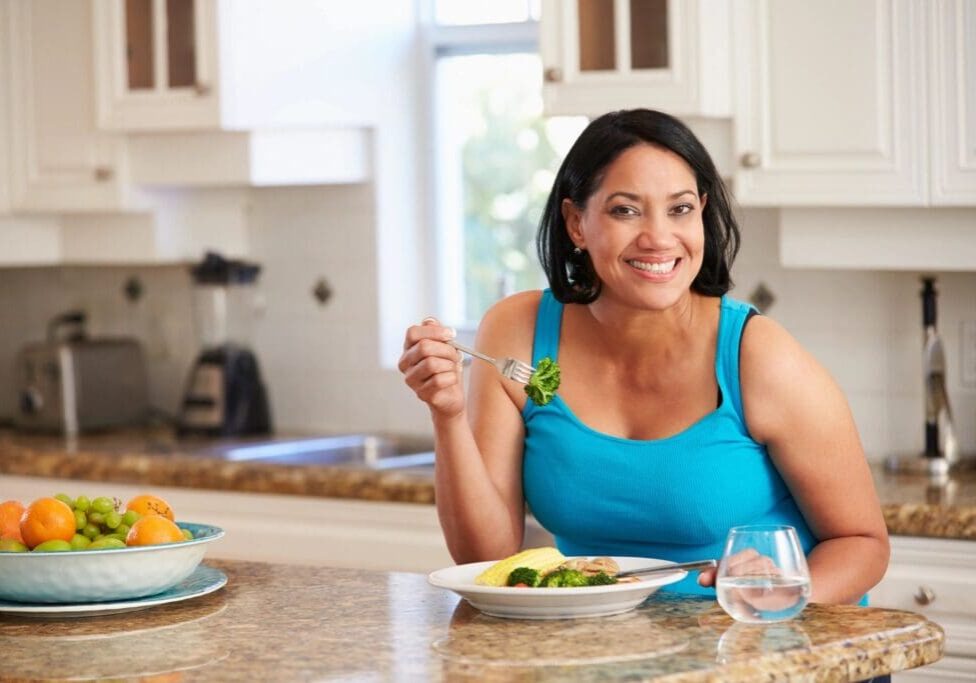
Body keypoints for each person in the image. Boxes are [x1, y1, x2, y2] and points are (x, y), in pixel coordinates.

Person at [399, 108, 889, 607]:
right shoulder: (517, 332)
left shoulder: (755, 355)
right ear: (576, 223)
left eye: (679, 209)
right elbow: (486, 555)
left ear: (701, 212)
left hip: (770, 647)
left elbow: (863, 544)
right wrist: (448, 414)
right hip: (611, 650)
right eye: (625, 210)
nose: (658, 238)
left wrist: (781, 593)